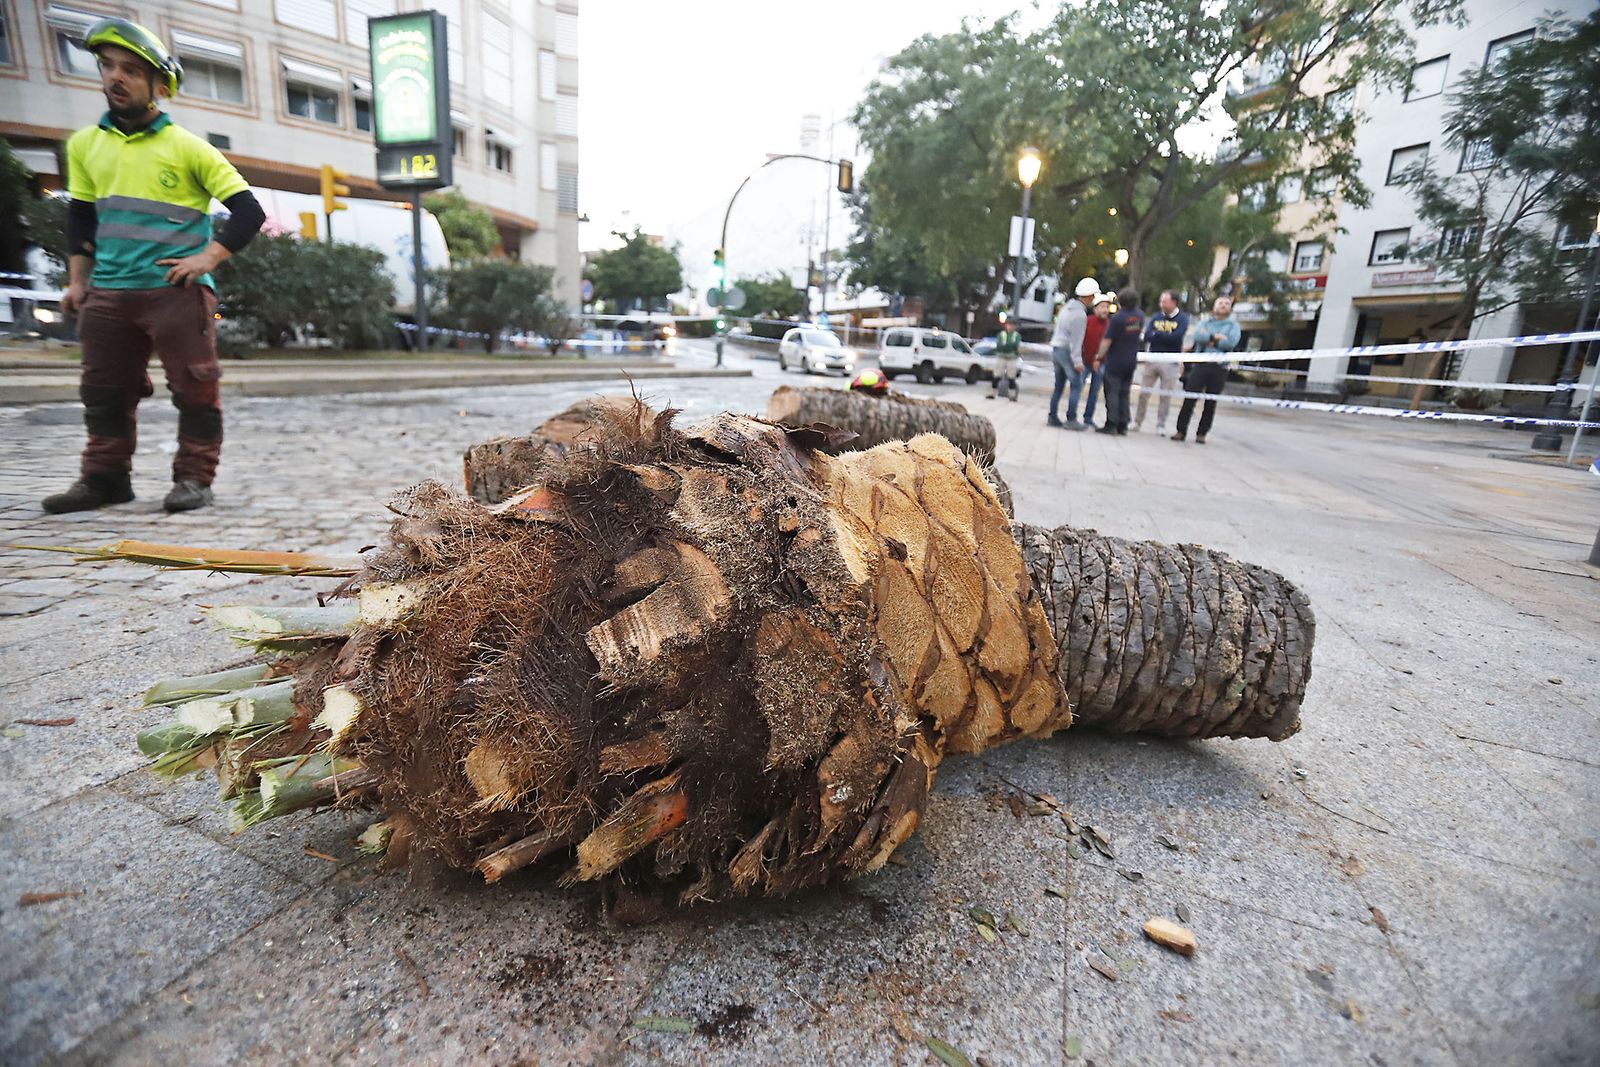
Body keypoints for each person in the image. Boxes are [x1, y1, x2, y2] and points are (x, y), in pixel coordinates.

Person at [42, 19, 264, 515]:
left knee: (195, 388)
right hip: (108, 293)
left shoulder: (188, 148)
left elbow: (249, 211)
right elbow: (80, 216)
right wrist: (77, 283)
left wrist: (206, 258)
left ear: (160, 85)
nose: (116, 77)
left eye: (132, 70)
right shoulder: (83, 146)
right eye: (108, 66)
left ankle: (194, 478)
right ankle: (104, 478)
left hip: (175, 293)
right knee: (102, 391)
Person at [1172, 296, 1242, 444]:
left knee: (1211, 402)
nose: (1223, 305)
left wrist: (1210, 339)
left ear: (1230, 308)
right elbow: (1198, 336)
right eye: (1220, 303)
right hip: (1201, 364)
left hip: (1220, 367)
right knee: (1190, 398)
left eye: (1226, 304)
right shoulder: (1204, 322)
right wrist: (1216, 337)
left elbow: (1230, 343)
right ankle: (1181, 430)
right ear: (1214, 307)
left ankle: (1202, 433)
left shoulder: (1233, 326)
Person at [1134, 289, 1188, 434]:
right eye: (1161, 301)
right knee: (1144, 392)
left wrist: (1156, 334)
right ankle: (1137, 422)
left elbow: (1177, 338)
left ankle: (1161, 424)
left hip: (1171, 361)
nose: (1161, 304)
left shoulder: (1182, 319)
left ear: (1174, 302)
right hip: (1152, 359)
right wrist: (1161, 335)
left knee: (1166, 395)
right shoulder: (1156, 316)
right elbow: (1146, 336)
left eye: (1165, 301)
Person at [1048, 277, 1098, 429]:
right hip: (1066, 351)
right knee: (1076, 384)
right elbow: (1076, 340)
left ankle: (1052, 415)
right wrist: (1077, 361)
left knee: (1059, 385)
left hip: (1056, 348)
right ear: (1089, 296)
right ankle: (1071, 418)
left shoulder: (1066, 308)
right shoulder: (1080, 315)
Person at [1095, 288, 1144, 434]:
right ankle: (1123, 423)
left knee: (1112, 391)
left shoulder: (1118, 318)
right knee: (1124, 392)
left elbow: (1107, 340)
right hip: (1131, 359)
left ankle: (1112, 423)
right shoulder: (1139, 317)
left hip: (1115, 360)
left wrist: (1099, 356)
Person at [1080, 291, 1112, 425]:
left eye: (1107, 307)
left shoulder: (1110, 324)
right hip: (1085, 360)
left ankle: (1088, 417)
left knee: (1094, 391)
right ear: (1095, 308)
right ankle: (1071, 414)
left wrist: (1100, 359)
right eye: (1102, 307)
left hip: (1101, 363)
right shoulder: (1087, 321)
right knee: (1078, 386)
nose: (1105, 310)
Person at [989, 312, 1021, 401]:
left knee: (1011, 377)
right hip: (1001, 356)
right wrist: (1009, 346)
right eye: (1009, 324)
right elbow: (999, 346)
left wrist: (1006, 346)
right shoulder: (1001, 334)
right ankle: (992, 393)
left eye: (1012, 325)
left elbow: (1015, 345)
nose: (1010, 326)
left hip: (1012, 357)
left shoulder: (1016, 335)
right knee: (997, 375)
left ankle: (1012, 395)